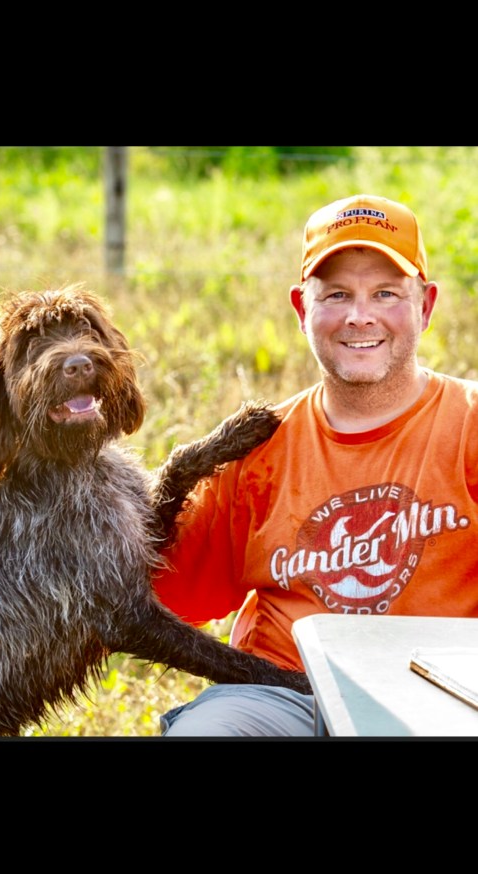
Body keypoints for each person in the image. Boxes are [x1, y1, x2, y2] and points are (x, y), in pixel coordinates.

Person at [153, 193, 478, 737]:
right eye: (336, 294)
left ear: (425, 306)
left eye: (385, 293)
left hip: (442, 696)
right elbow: (162, 590)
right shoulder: (256, 447)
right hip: (283, 695)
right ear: (303, 311)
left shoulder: (470, 424)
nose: (359, 316)